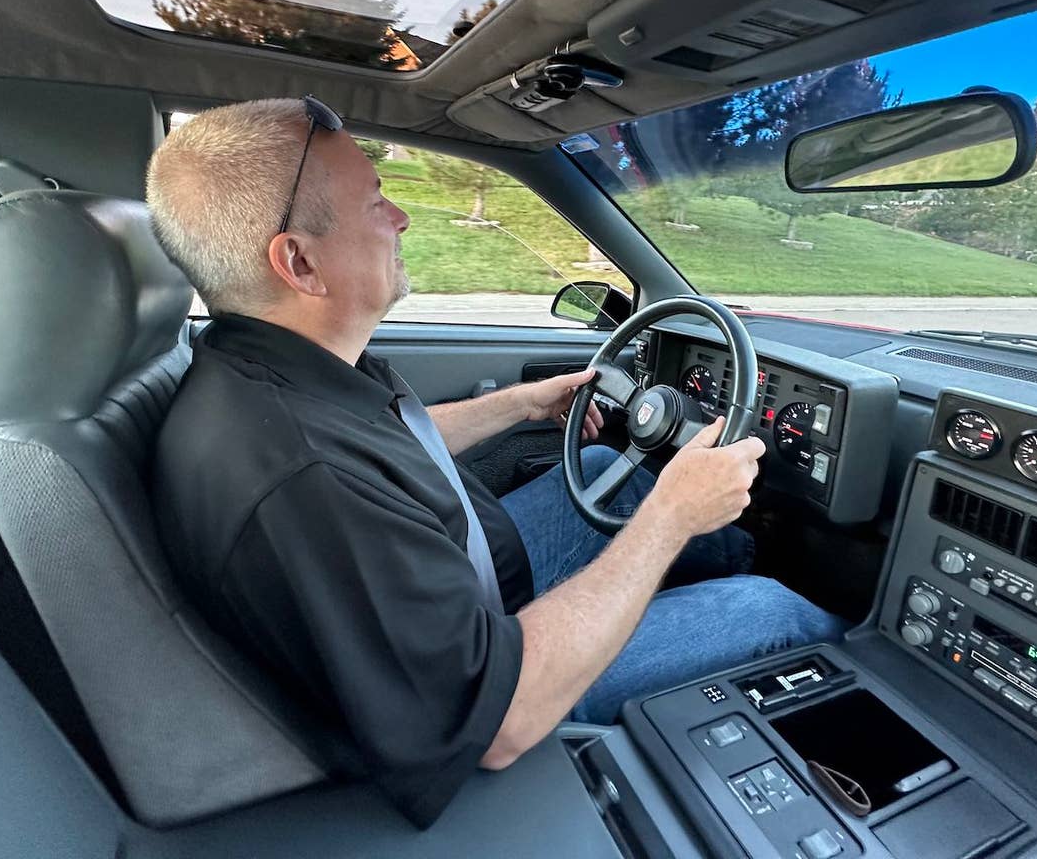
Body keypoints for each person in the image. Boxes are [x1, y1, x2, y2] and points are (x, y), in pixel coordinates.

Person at [148, 98, 844, 827]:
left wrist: (517, 404)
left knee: (631, 477)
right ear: (299, 261)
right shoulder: (300, 482)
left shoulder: (276, 372)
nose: (401, 219)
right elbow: (499, 723)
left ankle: (713, 588)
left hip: (469, 571)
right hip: (502, 679)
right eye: (375, 201)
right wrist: (673, 520)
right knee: (776, 611)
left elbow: (388, 445)